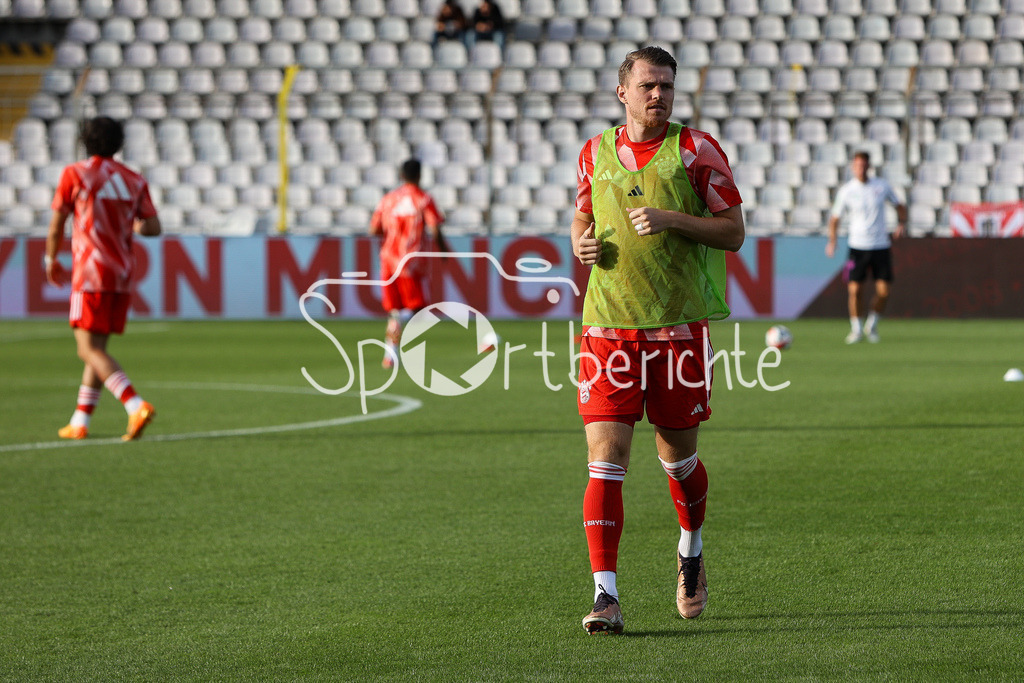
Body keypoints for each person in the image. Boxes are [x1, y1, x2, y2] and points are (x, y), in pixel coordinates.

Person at [571, 46, 744, 635]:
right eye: (648, 85)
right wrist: (580, 242)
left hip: (676, 331)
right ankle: (605, 596)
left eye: (666, 86)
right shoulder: (593, 153)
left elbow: (734, 231)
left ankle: (690, 546)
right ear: (622, 91)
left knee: (678, 461)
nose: (658, 95)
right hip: (607, 329)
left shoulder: (696, 150)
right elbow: (581, 217)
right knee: (606, 461)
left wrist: (674, 219)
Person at [45, 116, 162, 441]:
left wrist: (51, 258)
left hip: (91, 272)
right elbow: (153, 227)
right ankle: (80, 421)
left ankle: (134, 404)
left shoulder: (75, 174)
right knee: (98, 348)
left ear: (86, 141)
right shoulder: (134, 180)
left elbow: (57, 223)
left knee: (86, 349)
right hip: (122, 273)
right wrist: (132, 225)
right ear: (119, 144)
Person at [369, 158, 448, 369]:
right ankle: (395, 350)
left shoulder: (388, 199)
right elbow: (434, 227)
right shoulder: (423, 199)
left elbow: (373, 229)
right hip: (410, 262)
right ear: (420, 176)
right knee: (418, 310)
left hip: (387, 260)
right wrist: (444, 250)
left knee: (396, 311)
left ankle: (390, 354)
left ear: (401, 176)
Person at [825, 151, 907, 344]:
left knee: (884, 292)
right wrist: (832, 240)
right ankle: (856, 330)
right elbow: (835, 218)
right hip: (857, 247)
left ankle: (872, 323)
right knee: (855, 290)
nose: (861, 168)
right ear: (853, 167)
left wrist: (901, 222)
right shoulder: (847, 191)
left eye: (864, 165)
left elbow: (899, 205)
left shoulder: (881, 186)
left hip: (881, 246)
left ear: (869, 166)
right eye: (858, 165)